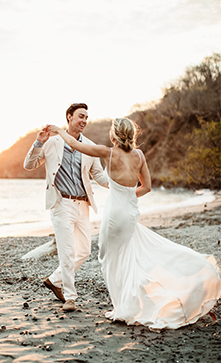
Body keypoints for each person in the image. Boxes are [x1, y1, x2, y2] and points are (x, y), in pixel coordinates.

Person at [47, 118, 221, 329]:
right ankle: (131, 299)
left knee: (109, 258)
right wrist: (128, 196)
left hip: (114, 214)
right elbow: (147, 187)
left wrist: (57, 130)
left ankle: (123, 306)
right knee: (128, 255)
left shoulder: (109, 153)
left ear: (114, 135)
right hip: (129, 212)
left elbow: (74, 145)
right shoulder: (139, 155)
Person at [23, 103, 109, 312]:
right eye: (81, 116)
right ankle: (70, 297)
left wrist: (120, 184)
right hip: (61, 204)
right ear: (69, 117)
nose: (84, 121)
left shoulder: (89, 146)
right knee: (67, 252)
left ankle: (54, 279)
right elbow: (29, 165)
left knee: (85, 250)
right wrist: (38, 143)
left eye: (86, 117)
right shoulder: (51, 142)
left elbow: (98, 175)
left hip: (83, 205)